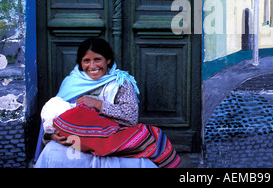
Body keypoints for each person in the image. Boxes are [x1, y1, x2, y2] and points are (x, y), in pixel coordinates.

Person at [34, 37, 180, 168]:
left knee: (143, 156)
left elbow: (131, 118)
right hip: (77, 142)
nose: (92, 66)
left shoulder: (121, 82)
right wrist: (53, 135)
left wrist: (98, 104)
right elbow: (57, 116)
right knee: (51, 152)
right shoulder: (71, 82)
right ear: (80, 62)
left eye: (97, 59)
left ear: (108, 60)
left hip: (111, 139)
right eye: (86, 61)